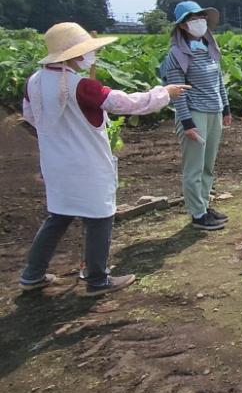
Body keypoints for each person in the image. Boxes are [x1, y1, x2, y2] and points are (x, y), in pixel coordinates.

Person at [20, 23, 189, 296]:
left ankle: (32, 274)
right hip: (86, 162)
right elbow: (125, 104)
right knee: (100, 216)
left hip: (55, 161)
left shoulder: (34, 82)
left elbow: (31, 116)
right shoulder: (81, 85)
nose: (89, 57)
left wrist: (61, 131)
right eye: (85, 52)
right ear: (73, 55)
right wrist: (163, 94)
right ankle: (98, 279)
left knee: (59, 216)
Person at [160, 1, 232, 231]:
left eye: (201, 16)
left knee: (208, 165)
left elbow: (218, 80)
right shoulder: (176, 55)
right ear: (182, 26)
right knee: (194, 167)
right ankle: (197, 214)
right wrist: (187, 122)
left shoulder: (210, 48)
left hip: (214, 110)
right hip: (194, 113)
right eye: (192, 19)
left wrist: (226, 107)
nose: (199, 21)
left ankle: (204, 205)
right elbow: (177, 92)